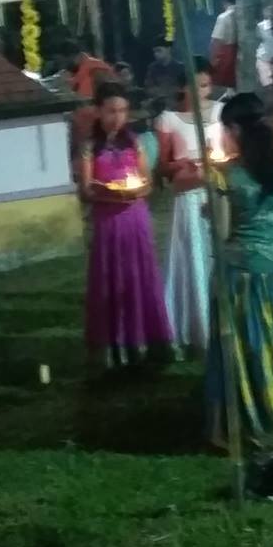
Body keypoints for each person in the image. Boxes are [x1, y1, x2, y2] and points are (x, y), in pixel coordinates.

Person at [204, 93, 273, 450]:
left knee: (247, 349)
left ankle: (248, 418)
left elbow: (223, 233)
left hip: (242, 275)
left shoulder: (229, 176)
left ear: (234, 128)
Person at [78, 82, 174, 370]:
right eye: (111, 111)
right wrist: (107, 192)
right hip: (108, 222)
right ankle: (111, 345)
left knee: (138, 278)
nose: (117, 117)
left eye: (122, 111)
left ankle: (144, 342)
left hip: (135, 219)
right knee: (110, 279)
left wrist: (133, 191)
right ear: (98, 111)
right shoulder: (88, 148)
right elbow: (85, 190)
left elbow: (147, 183)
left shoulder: (135, 142)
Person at [153, 67, 225, 350]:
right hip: (188, 191)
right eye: (196, 86)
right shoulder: (169, 120)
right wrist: (183, 164)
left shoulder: (221, 112)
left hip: (217, 188)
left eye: (206, 86)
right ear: (183, 88)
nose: (202, 92)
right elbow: (162, 165)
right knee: (193, 254)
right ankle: (196, 324)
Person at [209, 0, 241, 88]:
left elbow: (216, 40)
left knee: (222, 85)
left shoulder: (223, 17)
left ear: (225, 2)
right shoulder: (242, 15)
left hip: (226, 55)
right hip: (239, 53)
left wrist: (212, 60)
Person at [255, 2, 273, 88]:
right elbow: (256, 42)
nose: (272, 19)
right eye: (270, 16)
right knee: (269, 87)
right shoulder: (259, 27)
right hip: (264, 62)